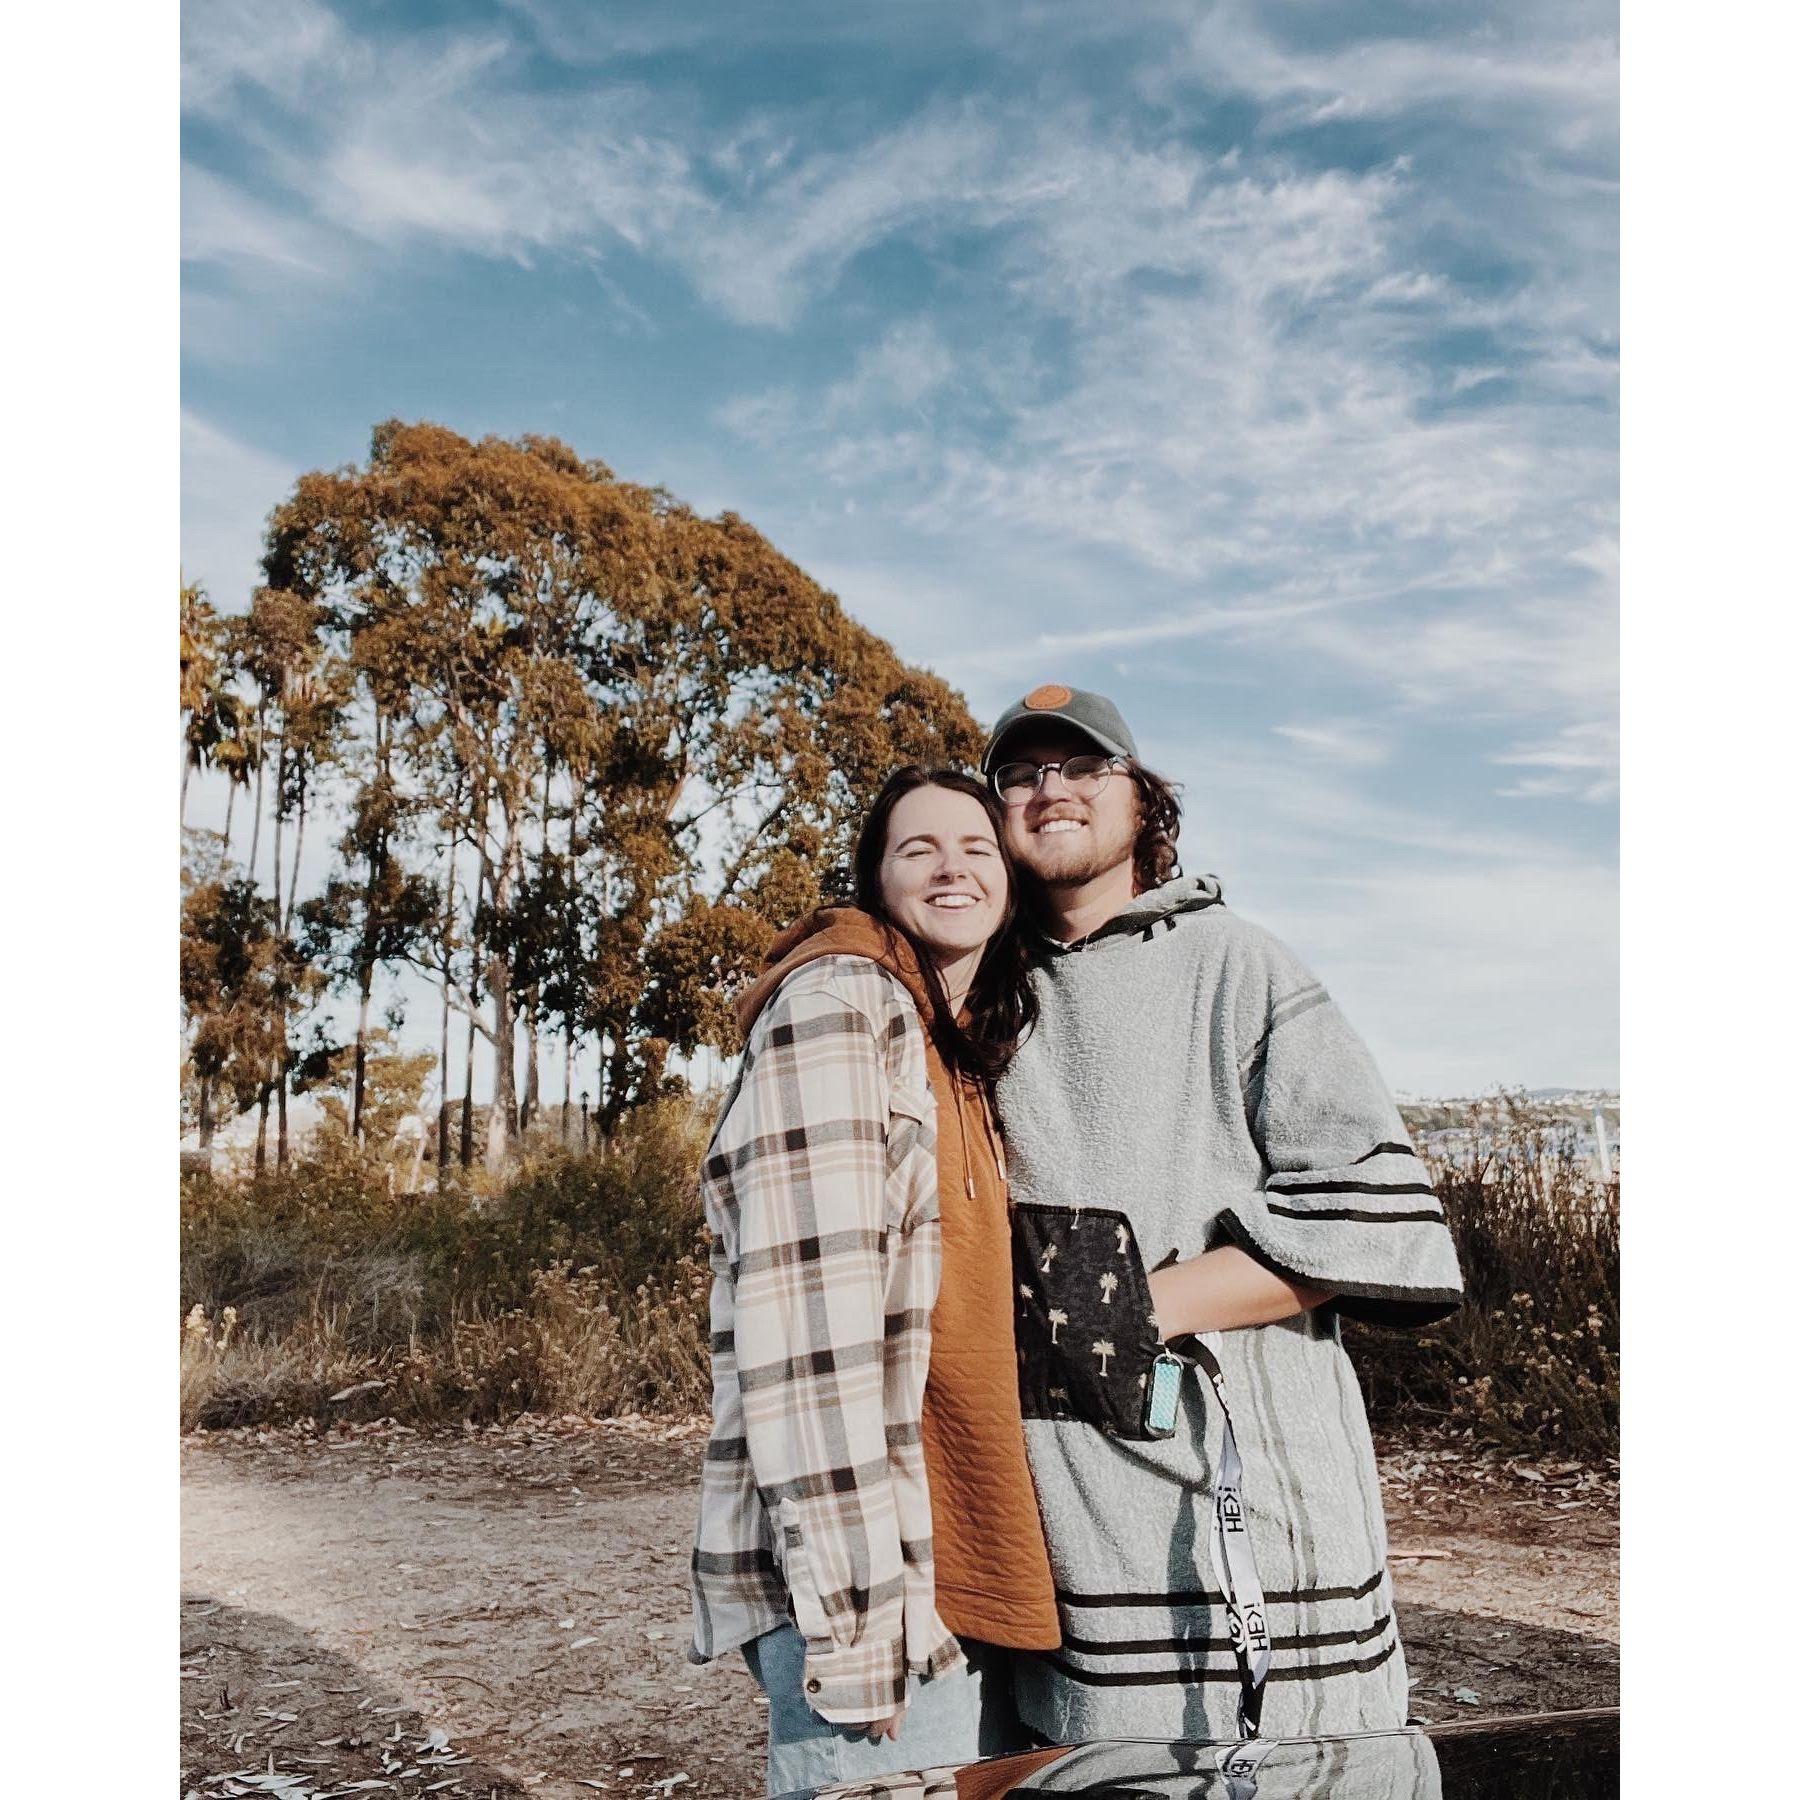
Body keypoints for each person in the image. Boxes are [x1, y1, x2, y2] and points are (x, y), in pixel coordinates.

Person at [982, 684, 1465, 1748]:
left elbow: (1365, 1215)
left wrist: (1130, 1307)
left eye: (1081, 767)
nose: (1049, 788)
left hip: (1244, 1503)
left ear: (1140, 800)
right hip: (1061, 1516)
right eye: (1021, 773)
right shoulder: (977, 992)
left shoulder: (1239, 963)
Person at [688, 766, 1060, 1796]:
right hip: (883, 1583)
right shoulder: (841, 1006)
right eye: (918, 849)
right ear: (873, 879)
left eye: (977, 847)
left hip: (960, 1560)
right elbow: (807, 1333)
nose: (952, 867)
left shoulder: (950, 1041)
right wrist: (855, 1621)